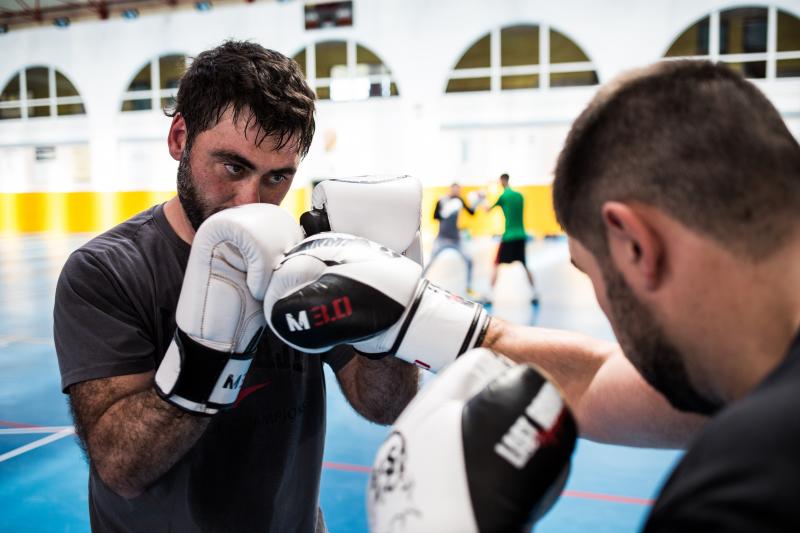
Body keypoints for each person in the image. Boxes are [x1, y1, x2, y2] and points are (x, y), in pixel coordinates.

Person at [266, 60, 800, 531]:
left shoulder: (740, 491)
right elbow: (593, 380)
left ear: (636, 245)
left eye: (591, 274)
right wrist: (417, 318)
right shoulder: (758, 384)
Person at [53, 41, 419, 533]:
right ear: (180, 138)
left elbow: (386, 405)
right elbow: (121, 467)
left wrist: (386, 328)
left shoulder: (304, 260)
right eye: (233, 167)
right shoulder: (106, 273)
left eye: (277, 177)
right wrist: (210, 354)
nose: (251, 200)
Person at [487, 173, 537, 300]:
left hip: (509, 236)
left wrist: (482, 199)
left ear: (502, 181)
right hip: (521, 235)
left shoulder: (503, 196)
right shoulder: (520, 196)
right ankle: (535, 294)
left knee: (496, 264)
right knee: (525, 265)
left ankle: (490, 295)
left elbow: (488, 209)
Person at [423, 182, 479, 294]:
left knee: (469, 261)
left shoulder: (460, 200)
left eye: (459, 190)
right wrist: (445, 211)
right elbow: (434, 216)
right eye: (455, 189)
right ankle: (420, 281)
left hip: (456, 239)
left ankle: (469, 287)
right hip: (442, 238)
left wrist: (476, 202)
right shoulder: (442, 200)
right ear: (450, 189)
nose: (457, 191)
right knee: (430, 261)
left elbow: (471, 213)